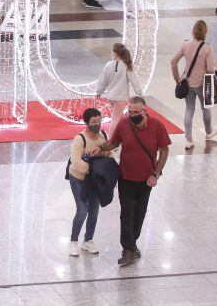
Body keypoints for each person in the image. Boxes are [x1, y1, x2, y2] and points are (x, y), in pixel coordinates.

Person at [87, 96, 170, 267]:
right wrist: (101, 147)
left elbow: (164, 150)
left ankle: (132, 246)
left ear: (144, 111)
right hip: (125, 177)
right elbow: (114, 143)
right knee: (126, 213)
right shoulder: (124, 124)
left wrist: (156, 173)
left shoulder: (157, 126)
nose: (133, 115)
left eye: (136, 112)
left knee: (139, 214)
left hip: (146, 180)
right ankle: (128, 249)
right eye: (130, 112)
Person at [67, 107, 112, 257]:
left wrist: (105, 157)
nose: (97, 124)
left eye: (99, 120)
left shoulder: (103, 136)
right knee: (82, 211)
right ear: (86, 123)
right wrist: (91, 169)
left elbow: (109, 153)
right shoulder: (80, 139)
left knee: (94, 211)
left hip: (95, 181)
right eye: (93, 121)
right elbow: (75, 162)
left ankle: (88, 240)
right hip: (79, 179)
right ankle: (73, 241)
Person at [169, 20, 217, 149]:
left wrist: (177, 78)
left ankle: (189, 139)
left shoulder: (185, 44)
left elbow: (173, 61)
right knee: (205, 108)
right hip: (203, 84)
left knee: (189, 110)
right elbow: (210, 69)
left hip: (187, 82)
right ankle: (208, 133)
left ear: (193, 30)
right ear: (205, 31)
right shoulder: (207, 48)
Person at [95, 43, 141, 122]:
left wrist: (99, 91)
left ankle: (123, 132)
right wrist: (139, 93)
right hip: (121, 97)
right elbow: (134, 80)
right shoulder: (127, 66)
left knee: (119, 117)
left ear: (115, 53)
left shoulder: (108, 65)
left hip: (111, 97)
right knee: (116, 119)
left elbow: (103, 80)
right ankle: (112, 134)